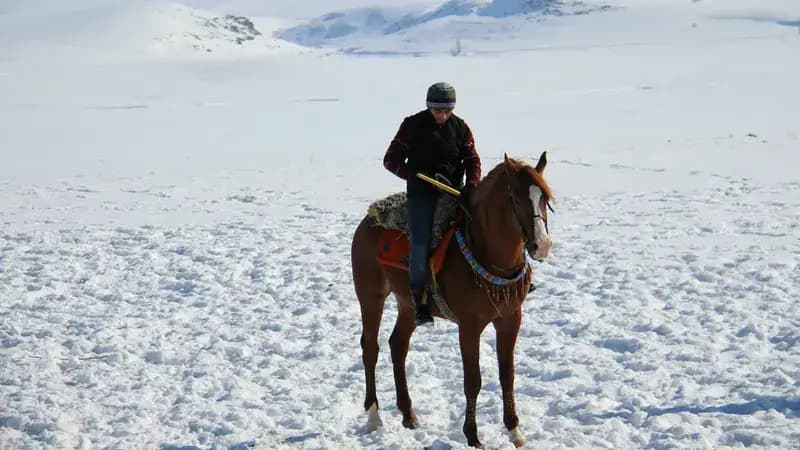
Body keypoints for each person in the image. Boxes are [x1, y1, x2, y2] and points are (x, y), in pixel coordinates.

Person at [383, 82, 482, 326]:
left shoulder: (461, 128)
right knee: (421, 241)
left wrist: (472, 183)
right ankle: (419, 300)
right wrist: (413, 176)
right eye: (438, 111)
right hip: (421, 194)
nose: (443, 116)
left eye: (447, 111)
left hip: (454, 192)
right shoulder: (412, 125)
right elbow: (391, 160)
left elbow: (472, 159)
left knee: (485, 224)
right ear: (428, 106)